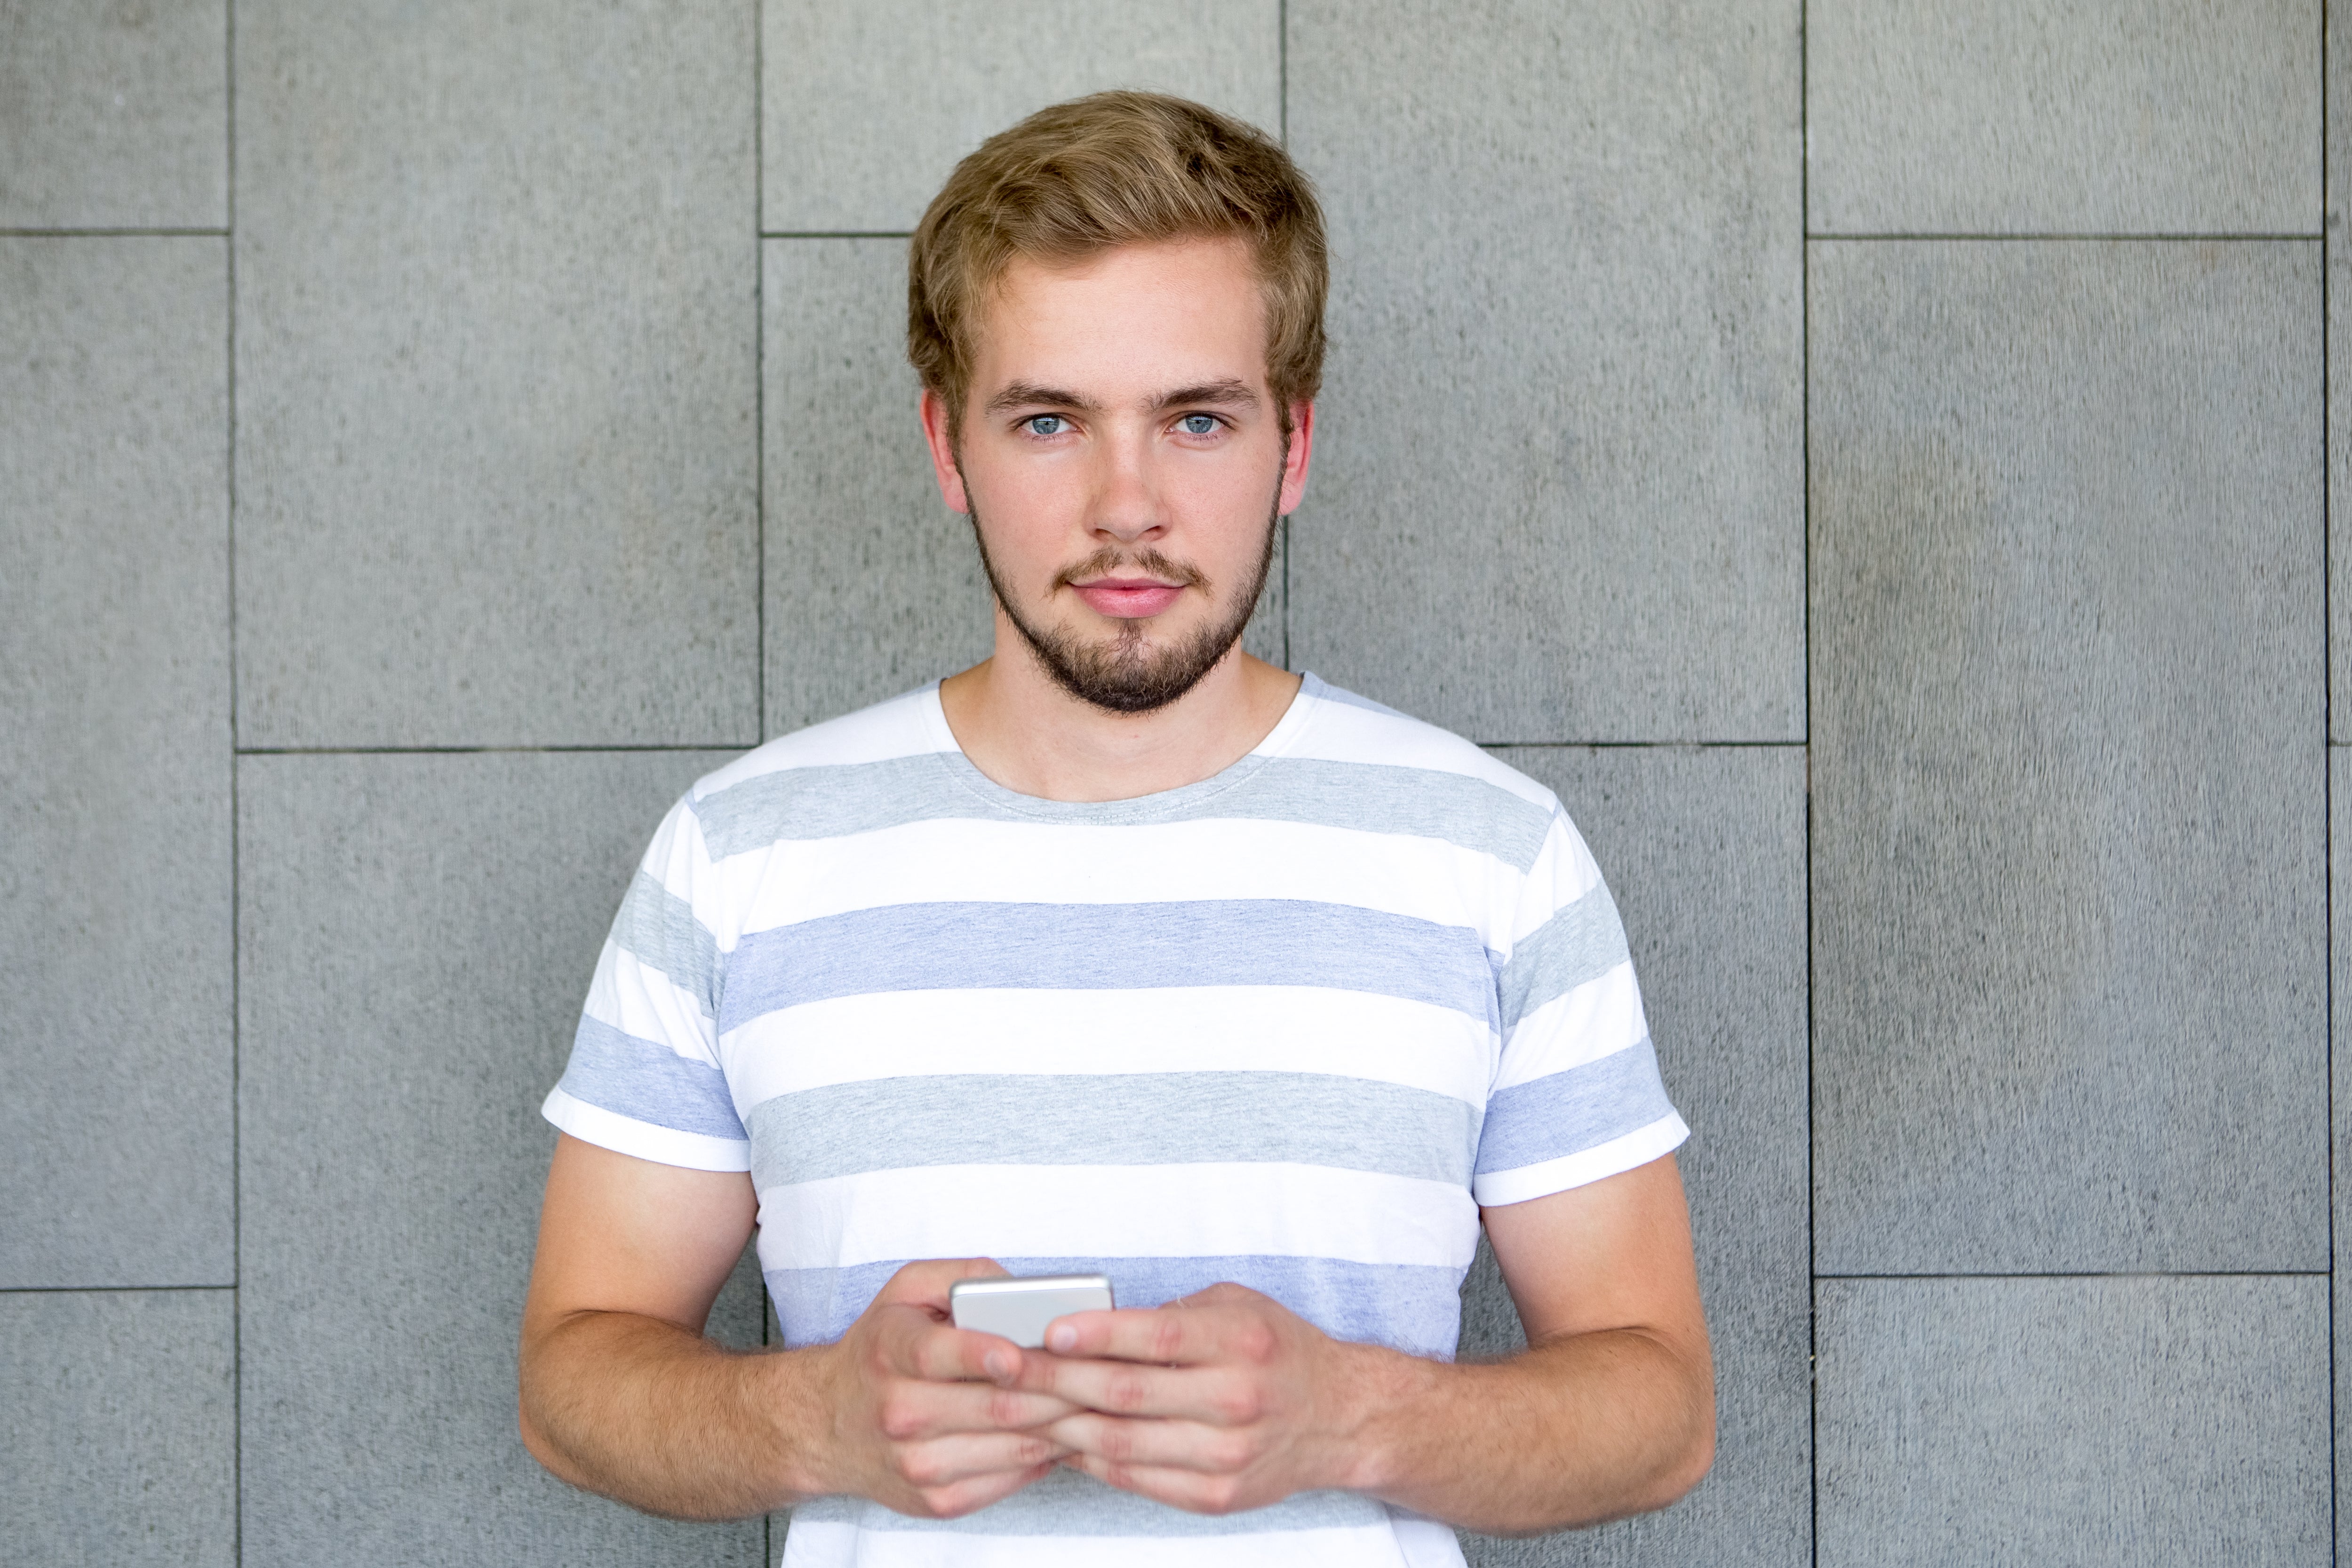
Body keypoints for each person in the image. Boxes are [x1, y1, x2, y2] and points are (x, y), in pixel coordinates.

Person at [518, 89, 1713, 1567]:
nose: (1127, 505)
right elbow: (575, 1376)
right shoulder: (740, 854)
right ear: (950, 451)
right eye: (1049, 421)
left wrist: (1347, 1421)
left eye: (1197, 419)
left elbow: (1659, 1407)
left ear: (1295, 449)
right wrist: (817, 1425)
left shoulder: (1492, 852)